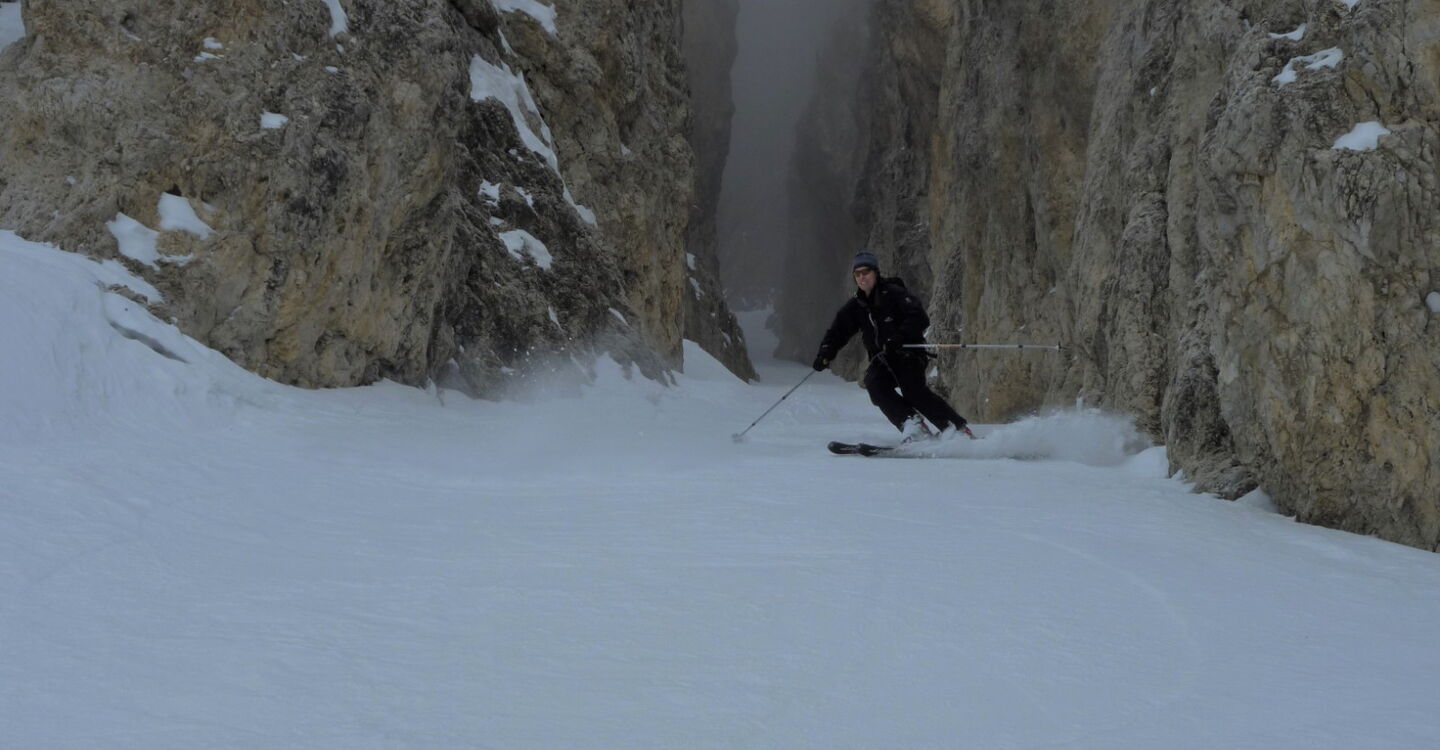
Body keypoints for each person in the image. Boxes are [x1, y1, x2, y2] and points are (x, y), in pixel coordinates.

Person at [812, 251, 972, 439]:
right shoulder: (856, 306)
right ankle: (913, 425)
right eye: (857, 274)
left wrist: (899, 337)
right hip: (882, 359)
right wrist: (825, 353)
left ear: (875, 273)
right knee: (875, 385)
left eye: (866, 272)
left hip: (907, 355)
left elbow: (919, 317)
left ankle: (957, 430)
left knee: (914, 392)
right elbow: (838, 331)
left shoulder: (894, 293)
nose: (862, 277)